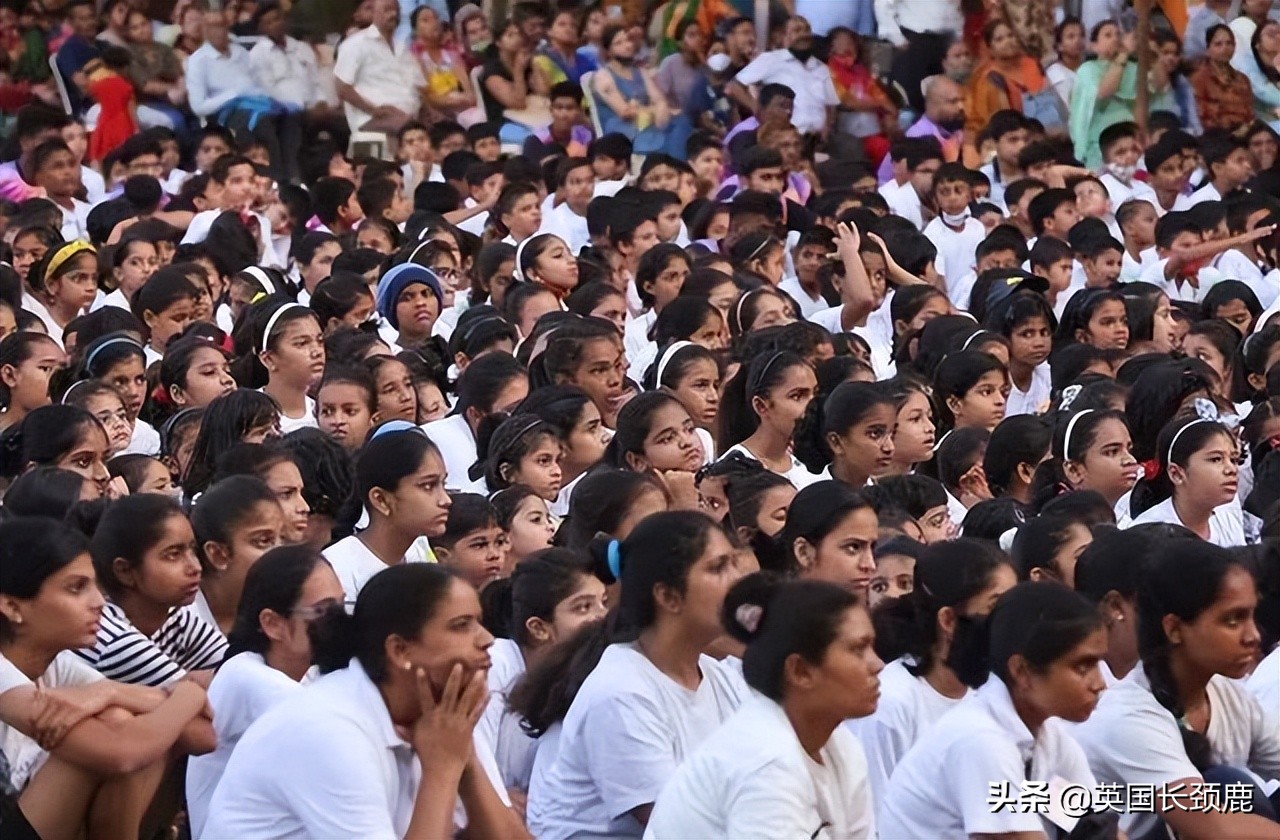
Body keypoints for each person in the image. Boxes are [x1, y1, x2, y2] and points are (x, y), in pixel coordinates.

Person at [201, 562, 525, 838]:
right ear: (400, 651)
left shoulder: (444, 719)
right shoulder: (328, 729)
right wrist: (441, 770)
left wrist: (464, 762)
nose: (486, 640)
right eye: (462, 626)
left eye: (479, 623)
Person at [526, 511, 747, 838]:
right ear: (668, 596)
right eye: (717, 568)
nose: (738, 581)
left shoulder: (720, 677)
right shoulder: (622, 692)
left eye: (733, 563)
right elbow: (682, 827)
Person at [0, 517, 212, 840]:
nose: (99, 602)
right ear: (13, 607)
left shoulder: (58, 663)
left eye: (94, 586)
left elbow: (203, 736)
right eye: (76, 588)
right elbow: (121, 752)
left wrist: (112, 692)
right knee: (113, 733)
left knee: (127, 722)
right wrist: (190, 694)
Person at [1073, 537, 1280, 839]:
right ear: (1173, 628)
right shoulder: (1129, 717)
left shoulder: (1226, 693)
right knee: (1224, 784)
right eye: (1232, 620)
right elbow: (1213, 826)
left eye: (1251, 616)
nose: (1253, 636)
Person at [646, 573, 881, 838]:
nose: (877, 665)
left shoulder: (843, 748)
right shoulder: (766, 759)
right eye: (858, 650)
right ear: (800, 670)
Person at [879, 582, 1109, 838]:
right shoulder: (980, 740)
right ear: (1022, 671)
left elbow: (1100, 826)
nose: (1100, 684)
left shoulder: (1049, 735)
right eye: (1083, 667)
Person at [184, 544, 344, 836]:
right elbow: (335, 735)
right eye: (322, 611)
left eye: (341, 606)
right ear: (272, 624)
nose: (339, 621)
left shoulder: (312, 673)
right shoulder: (244, 674)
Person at [847, 538, 1016, 806]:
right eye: (995, 607)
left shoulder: (999, 689)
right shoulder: (891, 703)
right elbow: (877, 815)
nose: (1009, 623)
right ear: (948, 620)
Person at [477, 549, 608, 793]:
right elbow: (478, 767)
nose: (602, 616)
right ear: (538, 628)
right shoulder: (495, 662)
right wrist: (499, 799)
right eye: (583, 607)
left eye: (604, 603)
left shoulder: (592, 671)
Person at [323, 423, 452, 600]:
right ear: (381, 499)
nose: (445, 500)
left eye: (443, 484)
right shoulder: (337, 570)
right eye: (428, 486)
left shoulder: (418, 550)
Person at [185, 12, 299, 184]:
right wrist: (233, 94)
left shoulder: (241, 53)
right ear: (204, 30)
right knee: (263, 124)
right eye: (212, 27)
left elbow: (255, 84)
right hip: (222, 112)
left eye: (222, 25)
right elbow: (198, 106)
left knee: (290, 118)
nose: (219, 31)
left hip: (254, 103)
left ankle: (292, 175)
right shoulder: (198, 61)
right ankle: (277, 179)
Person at [727, 17, 836, 139]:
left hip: (816, 140)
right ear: (784, 37)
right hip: (782, 139)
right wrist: (757, 109)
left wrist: (825, 135)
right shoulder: (771, 59)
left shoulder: (822, 68)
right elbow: (732, 87)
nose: (804, 35)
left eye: (807, 30)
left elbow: (830, 107)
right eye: (797, 30)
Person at [333, 0, 426, 136]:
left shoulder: (403, 48)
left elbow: (419, 87)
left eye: (396, 10)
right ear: (374, 13)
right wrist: (373, 110)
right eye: (387, 10)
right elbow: (342, 88)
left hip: (411, 118)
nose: (393, 14)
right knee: (413, 132)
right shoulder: (355, 44)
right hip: (372, 120)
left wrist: (428, 111)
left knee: (448, 130)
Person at [1192, 24, 1256, 134]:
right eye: (1218, 44)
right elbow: (1202, 116)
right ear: (1207, 49)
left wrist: (1246, 129)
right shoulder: (1199, 78)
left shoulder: (1242, 79)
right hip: (1215, 136)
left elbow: (1250, 114)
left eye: (1229, 43)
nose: (1225, 48)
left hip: (1245, 133)